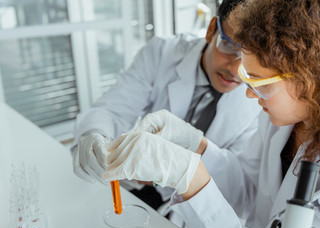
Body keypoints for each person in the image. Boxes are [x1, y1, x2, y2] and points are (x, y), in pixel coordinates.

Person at [102, 0, 320, 228]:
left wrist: (189, 178)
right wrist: (193, 144)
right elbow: (249, 190)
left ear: (312, 78)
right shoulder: (285, 119)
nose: (248, 93)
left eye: (259, 82)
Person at [72, 0, 260, 215]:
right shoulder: (162, 53)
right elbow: (113, 109)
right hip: (130, 188)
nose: (235, 70)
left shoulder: (261, 101)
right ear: (211, 30)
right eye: (229, 46)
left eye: (251, 59)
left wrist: (176, 165)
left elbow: (240, 186)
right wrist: (94, 133)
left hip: (192, 212)